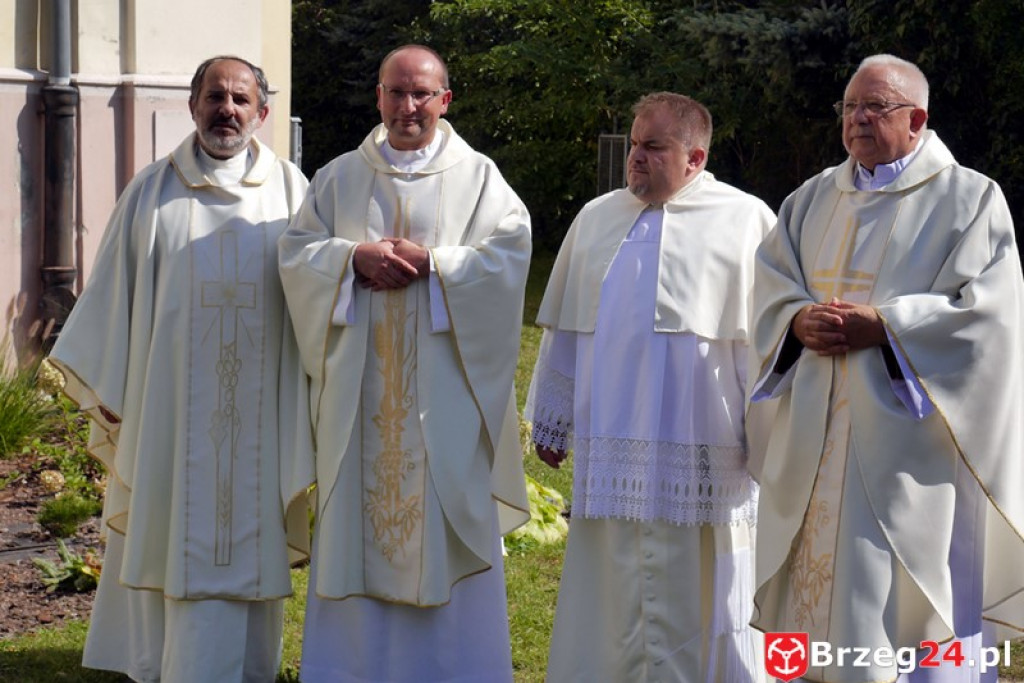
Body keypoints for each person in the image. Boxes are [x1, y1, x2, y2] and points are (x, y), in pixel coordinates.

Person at [750, 54, 1024, 682]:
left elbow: (990, 316)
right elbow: (770, 285)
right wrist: (795, 321)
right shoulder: (812, 196)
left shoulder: (970, 199)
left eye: (876, 107)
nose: (858, 119)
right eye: (849, 107)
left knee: (899, 604)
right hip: (816, 441)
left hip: (908, 450)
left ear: (917, 118)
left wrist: (886, 327)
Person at [47, 55, 313, 683]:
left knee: (246, 534)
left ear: (263, 112)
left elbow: (318, 295)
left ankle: (245, 667)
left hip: (261, 412)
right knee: (166, 525)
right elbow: (114, 293)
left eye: (241, 99)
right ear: (192, 106)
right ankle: (163, 663)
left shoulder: (292, 193)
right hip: (168, 409)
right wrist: (109, 382)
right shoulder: (152, 190)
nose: (227, 109)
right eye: (214, 96)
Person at [277, 44, 531, 683]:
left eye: (422, 94)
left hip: (441, 401)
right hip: (358, 405)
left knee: (443, 522)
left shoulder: (479, 178)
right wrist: (350, 259)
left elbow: (507, 260)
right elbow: (296, 254)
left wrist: (436, 265)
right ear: (379, 96)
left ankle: (453, 669)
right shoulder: (338, 177)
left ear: (445, 100)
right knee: (355, 524)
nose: (408, 106)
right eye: (396, 92)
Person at [525, 91, 774, 682]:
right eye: (634, 144)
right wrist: (554, 416)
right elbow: (568, 328)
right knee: (612, 576)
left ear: (695, 156)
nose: (635, 157)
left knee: (704, 582)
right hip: (614, 437)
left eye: (653, 146)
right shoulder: (596, 218)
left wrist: (767, 438)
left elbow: (763, 344)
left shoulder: (746, 219)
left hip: (707, 445)